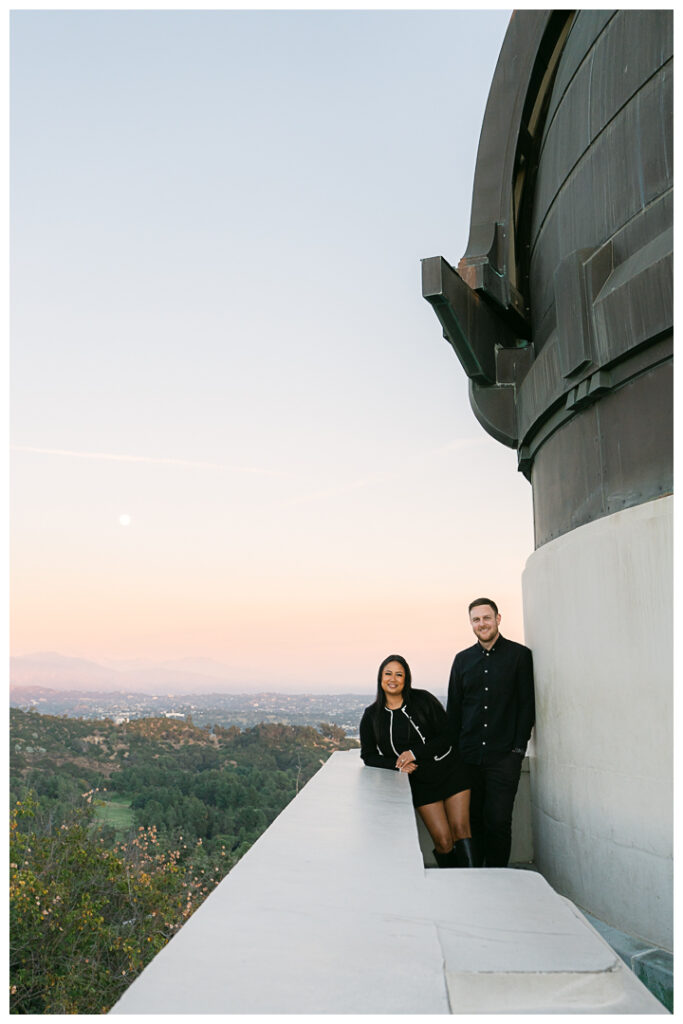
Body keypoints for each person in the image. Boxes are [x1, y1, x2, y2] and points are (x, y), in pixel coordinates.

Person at [360, 654, 475, 868]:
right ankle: (451, 885)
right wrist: (396, 763)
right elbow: (368, 756)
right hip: (421, 783)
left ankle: (471, 883)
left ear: (406, 679)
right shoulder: (371, 716)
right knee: (443, 840)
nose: (393, 679)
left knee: (461, 829)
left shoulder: (423, 700)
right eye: (388, 673)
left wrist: (414, 752)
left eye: (399, 674)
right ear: (380, 677)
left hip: (451, 770)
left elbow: (448, 735)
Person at [447, 598, 535, 868]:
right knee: (473, 822)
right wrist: (454, 755)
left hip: (504, 758)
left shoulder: (519, 656)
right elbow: (454, 712)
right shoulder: (462, 661)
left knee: (498, 821)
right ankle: (478, 880)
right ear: (471, 623)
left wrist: (517, 751)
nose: (481, 624)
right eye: (476, 619)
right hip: (468, 758)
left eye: (486, 618)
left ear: (498, 619)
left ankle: (498, 878)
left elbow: (526, 706)